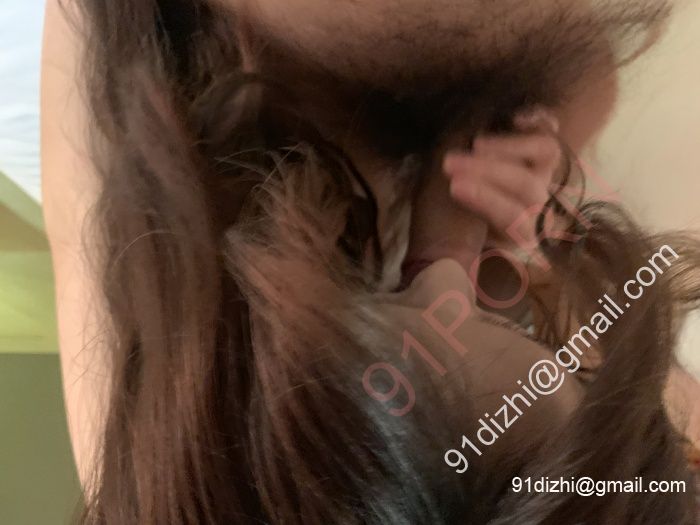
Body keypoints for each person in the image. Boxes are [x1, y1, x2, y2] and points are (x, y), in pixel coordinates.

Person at [41, 0, 700, 523]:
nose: (453, 283)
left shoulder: (149, 377)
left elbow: (92, 40)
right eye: (507, 326)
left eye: (400, 307)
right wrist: (454, 237)